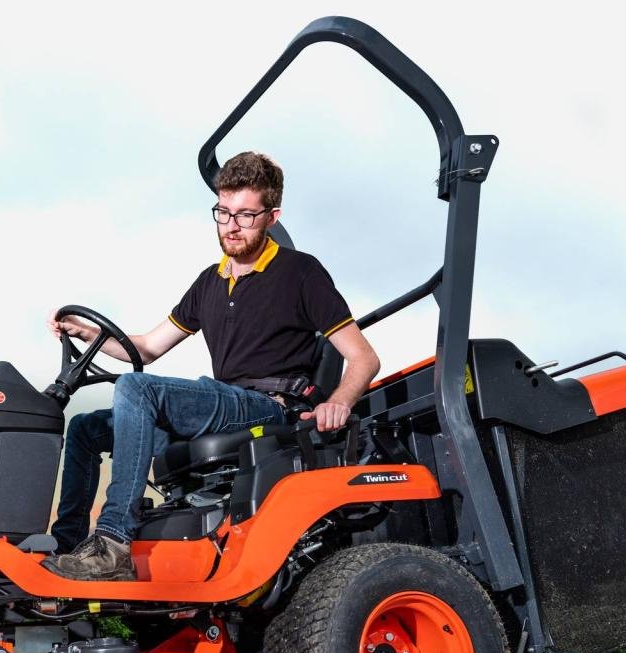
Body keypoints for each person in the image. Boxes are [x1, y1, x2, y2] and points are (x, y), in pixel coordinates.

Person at [44, 150, 380, 581]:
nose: (231, 226)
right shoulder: (210, 281)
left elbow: (363, 357)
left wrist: (339, 401)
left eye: (245, 215)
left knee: (136, 387)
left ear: (271, 217)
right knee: (86, 429)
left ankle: (113, 543)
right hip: (221, 404)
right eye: (223, 212)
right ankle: (72, 545)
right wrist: (88, 333)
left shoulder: (300, 273)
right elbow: (145, 348)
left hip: (266, 406)